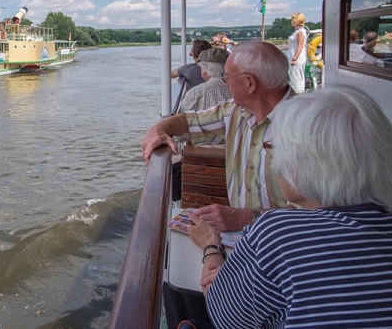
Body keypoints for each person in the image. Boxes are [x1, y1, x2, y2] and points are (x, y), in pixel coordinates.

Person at [186, 85, 392, 328]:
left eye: (274, 149)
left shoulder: (279, 232)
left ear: (304, 166)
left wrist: (212, 249)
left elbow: (226, 318)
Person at [141, 40, 292, 231]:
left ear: (249, 83)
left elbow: (322, 211)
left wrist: (247, 217)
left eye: (227, 78)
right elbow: (188, 120)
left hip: (287, 245)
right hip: (243, 238)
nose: (224, 83)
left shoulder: (309, 128)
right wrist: (158, 130)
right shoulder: (236, 111)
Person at [179, 48, 231, 112]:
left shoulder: (195, 93)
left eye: (201, 68)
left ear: (205, 71)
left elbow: (181, 116)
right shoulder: (240, 89)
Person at [287, 12, 308, 93]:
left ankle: (298, 93)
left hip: (296, 58)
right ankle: (296, 93)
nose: (291, 21)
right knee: (294, 77)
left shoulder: (300, 32)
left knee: (296, 77)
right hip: (293, 57)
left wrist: (294, 58)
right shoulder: (298, 31)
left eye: (292, 19)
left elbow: (300, 46)